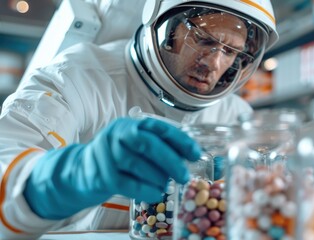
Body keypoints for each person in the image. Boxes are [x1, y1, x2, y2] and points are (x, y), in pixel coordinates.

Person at [0, 0, 278, 238]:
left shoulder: (234, 116)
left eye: (230, 52)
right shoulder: (76, 78)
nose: (213, 64)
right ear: (166, 25)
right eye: (203, 40)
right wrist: (68, 175)